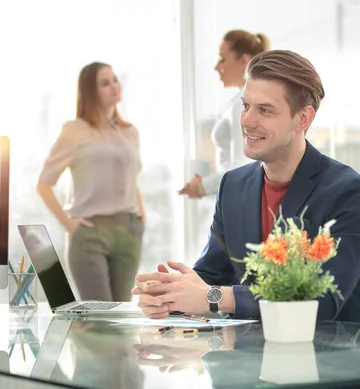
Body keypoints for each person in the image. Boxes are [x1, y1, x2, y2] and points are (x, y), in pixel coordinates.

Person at [134, 50, 360, 322]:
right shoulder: (232, 185)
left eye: (264, 110)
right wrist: (170, 295)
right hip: (247, 355)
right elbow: (212, 276)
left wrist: (212, 297)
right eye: (245, 106)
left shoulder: (348, 192)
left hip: (327, 357)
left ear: (303, 119)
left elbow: (322, 304)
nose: (247, 121)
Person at [37, 62, 145, 302]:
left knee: (121, 316)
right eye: (105, 83)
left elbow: (131, 177)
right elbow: (44, 184)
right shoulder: (75, 130)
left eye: (115, 80)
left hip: (128, 230)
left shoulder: (130, 132)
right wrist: (70, 225)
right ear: (90, 92)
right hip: (90, 232)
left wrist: (140, 214)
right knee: (99, 320)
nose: (114, 86)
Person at [179, 30, 270, 199]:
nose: (216, 67)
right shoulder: (244, 101)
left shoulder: (243, 105)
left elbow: (242, 167)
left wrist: (202, 186)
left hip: (240, 198)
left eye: (222, 59)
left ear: (244, 60)